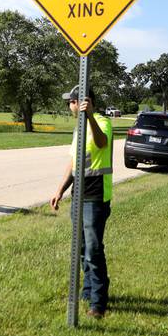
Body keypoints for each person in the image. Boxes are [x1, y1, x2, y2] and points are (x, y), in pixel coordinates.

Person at [50, 85, 113, 319]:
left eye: (71, 102)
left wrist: (90, 117)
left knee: (94, 250)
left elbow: (102, 143)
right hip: (78, 195)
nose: (69, 106)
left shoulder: (101, 121)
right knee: (82, 248)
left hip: (95, 197)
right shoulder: (78, 129)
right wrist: (60, 190)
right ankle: (87, 292)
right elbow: (73, 164)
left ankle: (98, 303)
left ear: (81, 102)